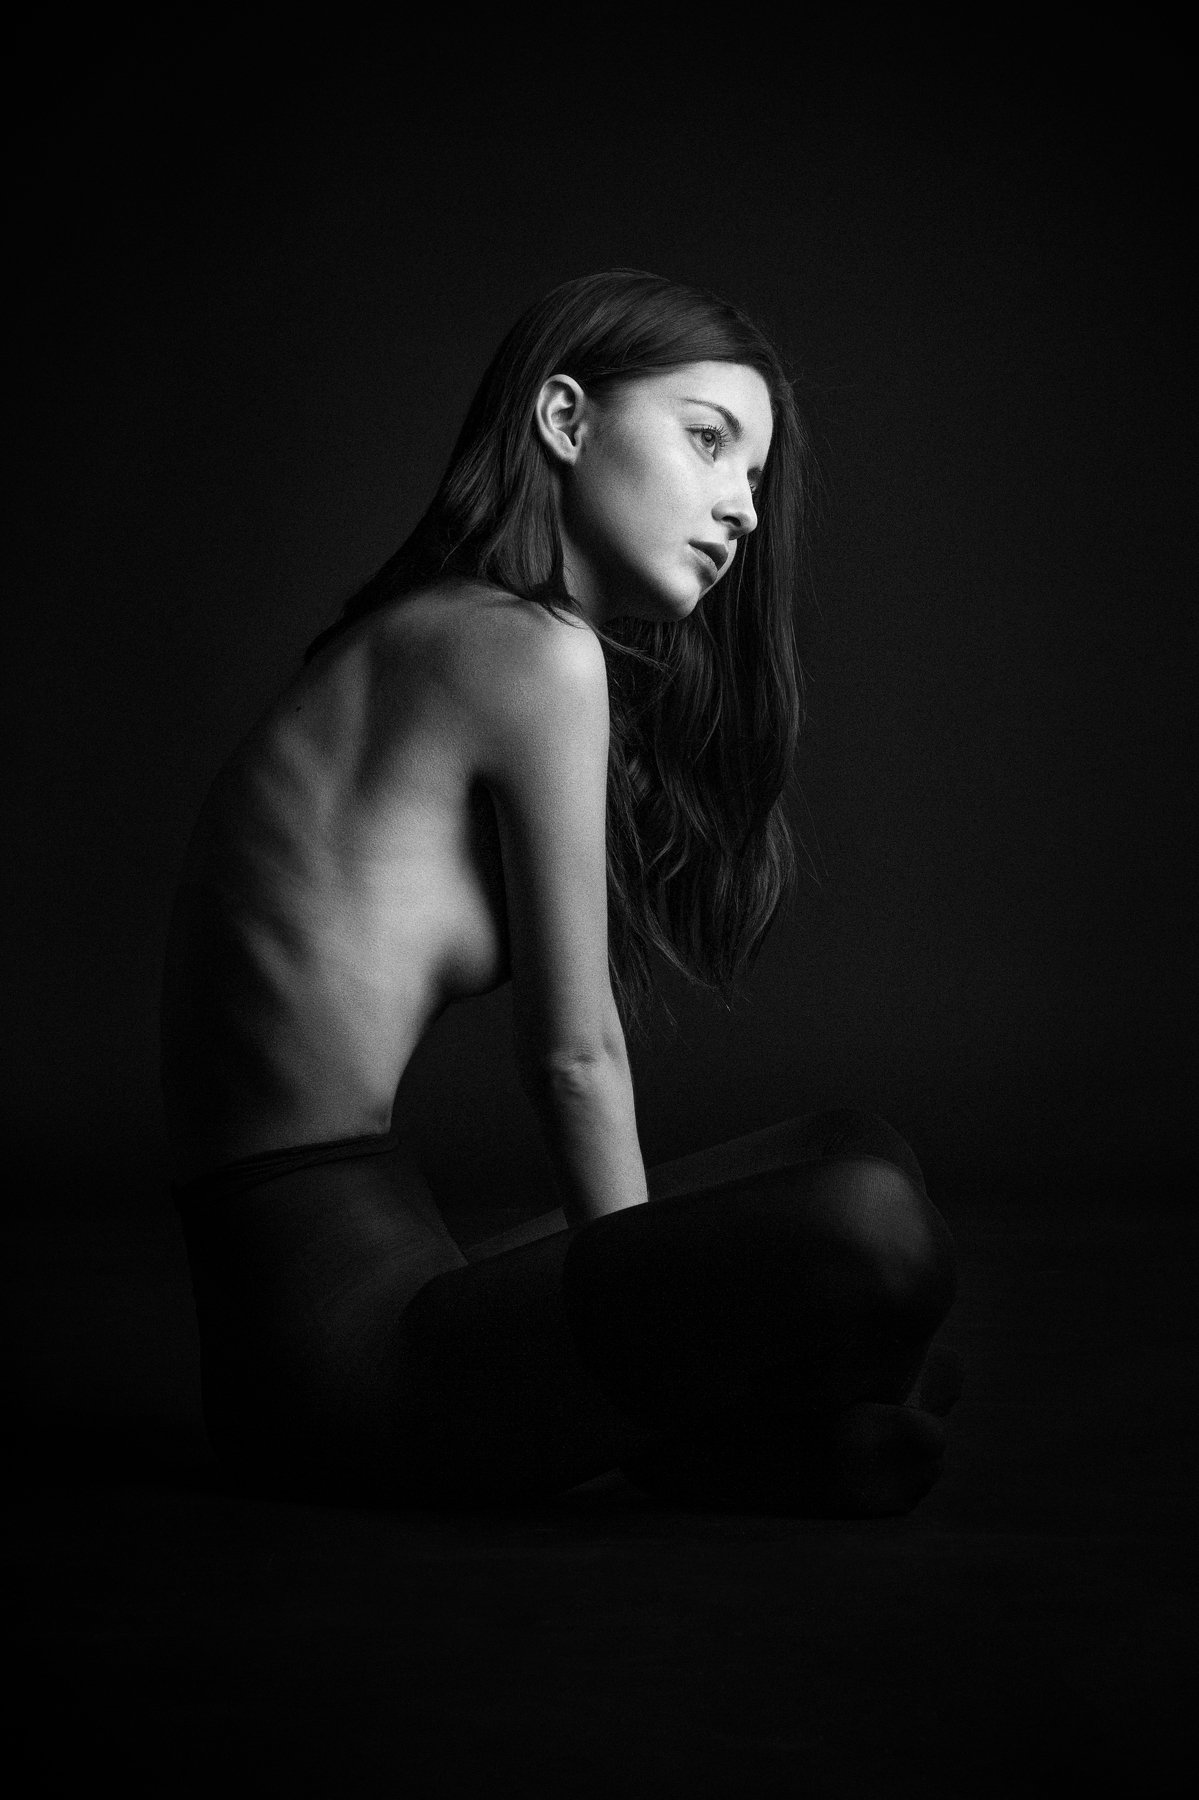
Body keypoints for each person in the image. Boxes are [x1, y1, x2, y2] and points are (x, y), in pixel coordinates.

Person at [161, 269, 959, 1515]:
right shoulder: (527, 649)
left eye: (755, 475)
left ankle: (749, 1439)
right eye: (708, 441)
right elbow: (574, 1057)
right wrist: (653, 1330)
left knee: (849, 1153)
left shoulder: (444, 630)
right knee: (864, 1229)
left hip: (364, 1283)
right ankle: (707, 1441)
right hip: (331, 1364)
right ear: (565, 419)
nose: (743, 509)